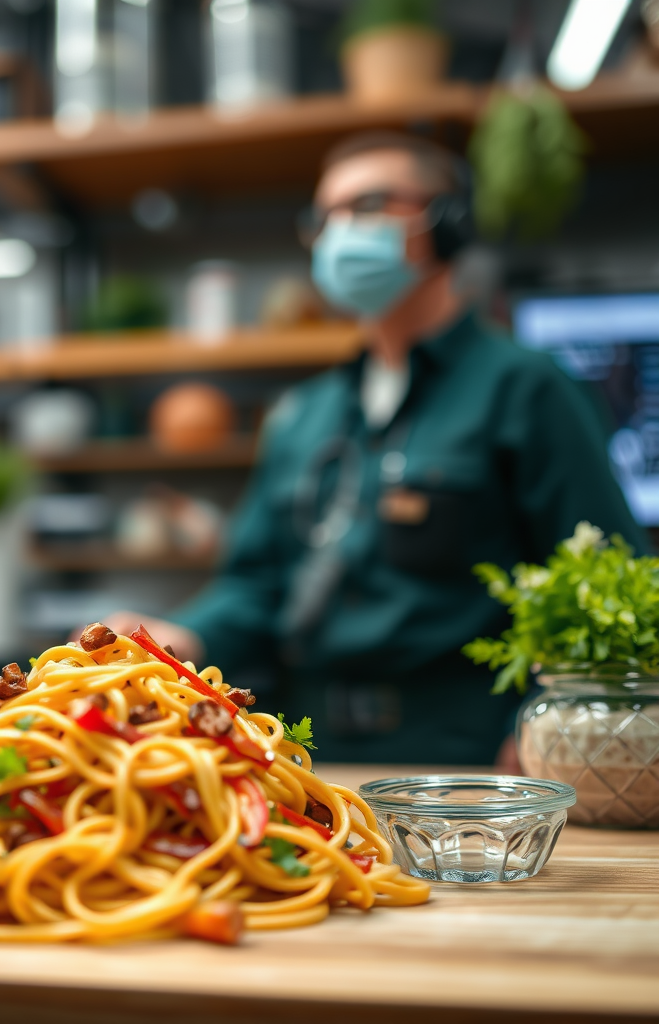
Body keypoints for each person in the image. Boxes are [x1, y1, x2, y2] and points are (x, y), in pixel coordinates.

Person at [107, 132, 649, 766]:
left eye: (366, 206)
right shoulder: (304, 414)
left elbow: (606, 583)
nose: (340, 232)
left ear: (446, 224)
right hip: (303, 753)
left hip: (470, 766)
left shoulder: (527, 388)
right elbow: (257, 583)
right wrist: (177, 635)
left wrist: (538, 725)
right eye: (324, 217)